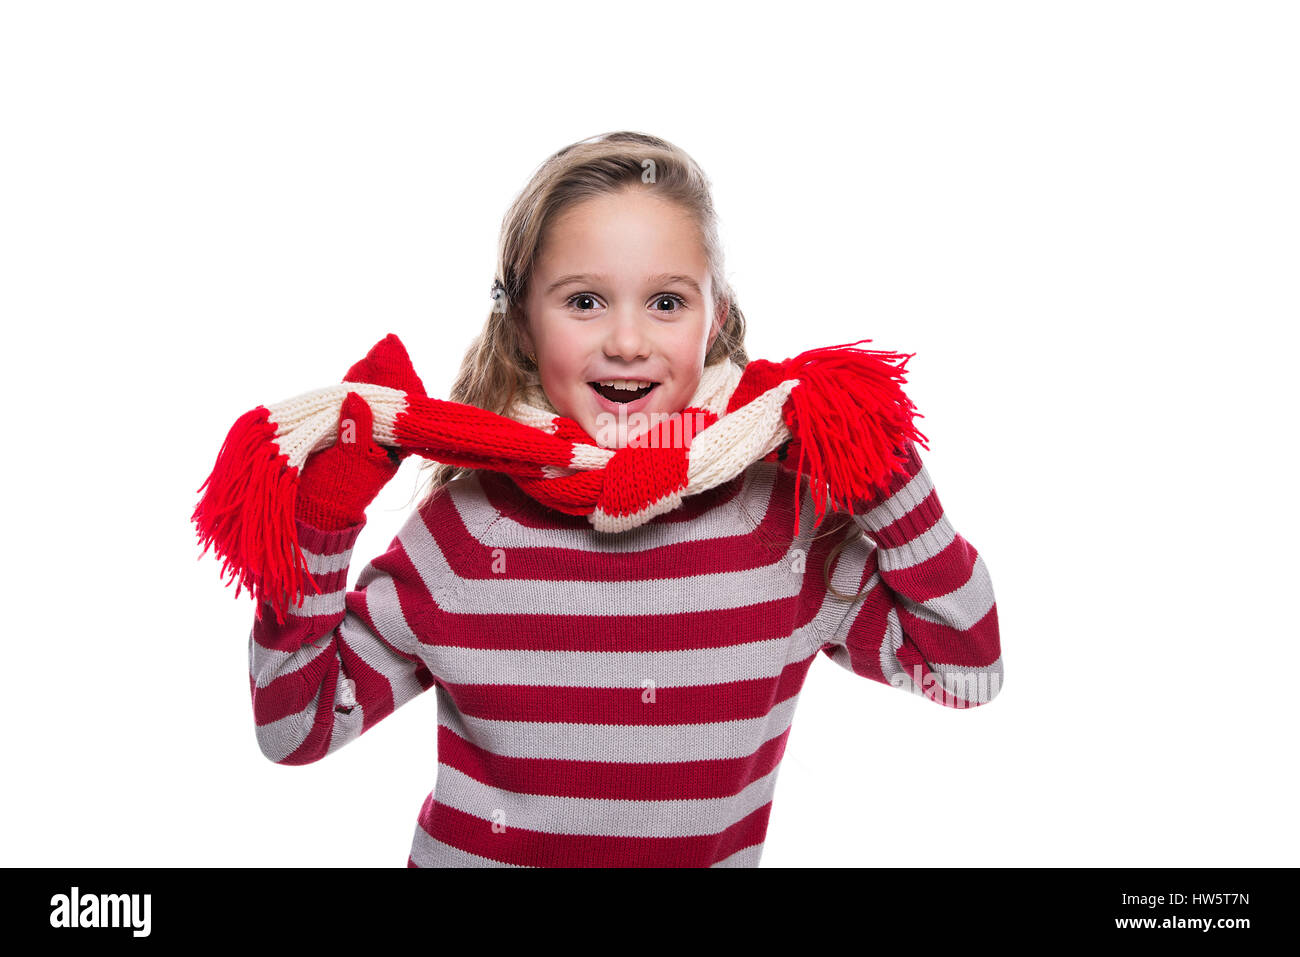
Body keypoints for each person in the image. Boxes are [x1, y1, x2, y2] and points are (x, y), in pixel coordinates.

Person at [246, 131, 1003, 867]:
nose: (629, 341)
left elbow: (968, 668)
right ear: (520, 322)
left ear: (718, 318)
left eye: (667, 303)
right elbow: (296, 727)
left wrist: (885, 473)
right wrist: (325, 515)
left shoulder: (777, 524)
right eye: (585, 301)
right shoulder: (469, 531)